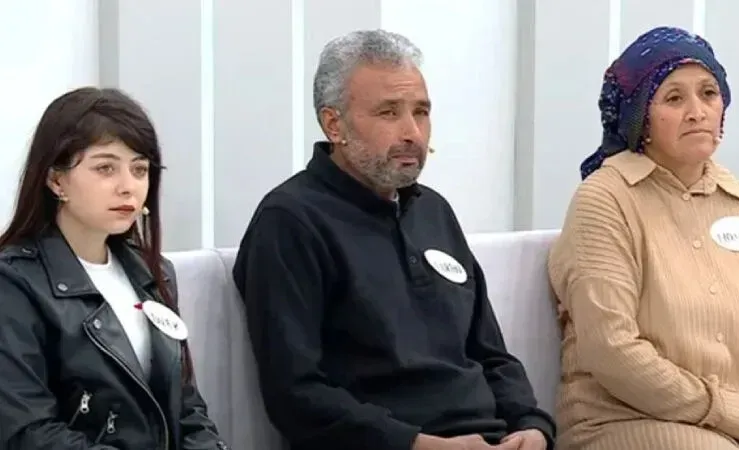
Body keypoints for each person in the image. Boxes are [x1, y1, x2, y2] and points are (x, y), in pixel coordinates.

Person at [232, 29, 555, 450]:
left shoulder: (434, 211)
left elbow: (490, 354)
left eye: (421, 112)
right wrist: (420, 445)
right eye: (389, 113)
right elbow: (296, 395)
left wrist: (532, 426)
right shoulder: (290, 221)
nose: (413, 133)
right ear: (334, 124)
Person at [548, 26, 739, 450]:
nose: (698, 112)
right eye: (674, 98)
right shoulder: (604, 200)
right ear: (639, 115)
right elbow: (611, 348)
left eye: (709, 93)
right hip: (627, 420)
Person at [0, 87, 229, 450]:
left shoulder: (153, 273)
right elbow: (29, 431)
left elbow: (186, 407)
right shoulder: (14, 282)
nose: (128, 187)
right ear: (56, 180)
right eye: (105, 168)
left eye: (139, 169)